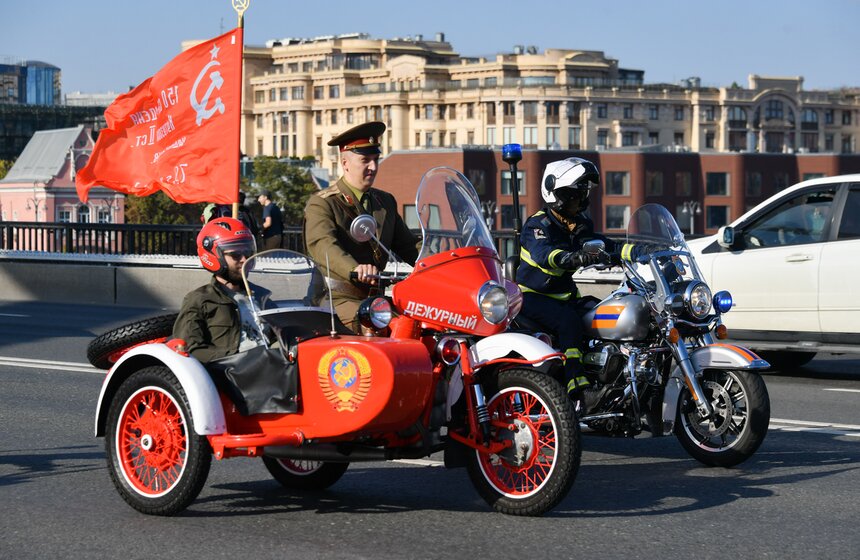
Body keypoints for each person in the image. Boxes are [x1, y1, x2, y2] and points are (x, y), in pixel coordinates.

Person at [515, 157, 622, 408]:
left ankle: (610, 377)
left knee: (604, 314)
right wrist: (573, 257)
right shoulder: (537, 226)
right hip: (531, 298)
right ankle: (577, 386)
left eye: (582, 194)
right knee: (569, 322)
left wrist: (635, 251)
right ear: (557, 194)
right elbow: (546, 255)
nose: (580, 200)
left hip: (565, 297)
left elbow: (603, 244)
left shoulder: (579, 224)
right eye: (574, 194)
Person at [303, 120, 419, 331]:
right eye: (365, 160)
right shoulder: (323, 202)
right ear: (345, 163)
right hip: (337, 300)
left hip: (376, 300)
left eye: (376, 160)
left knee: (422, 328)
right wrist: (354, 269)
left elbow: (409, 246)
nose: (373, 167)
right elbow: (323, 245)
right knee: (383, 329)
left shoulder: (385, 202)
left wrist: (442, 261)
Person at [173, 217, 269, 363]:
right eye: (236, 254)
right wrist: (238, 356)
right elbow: (190, 349)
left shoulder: (262, 296)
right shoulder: (200, 299)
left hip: (273, 368)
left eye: (248, 253)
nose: (244, 259)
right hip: (234, 376)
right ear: (214, 257)